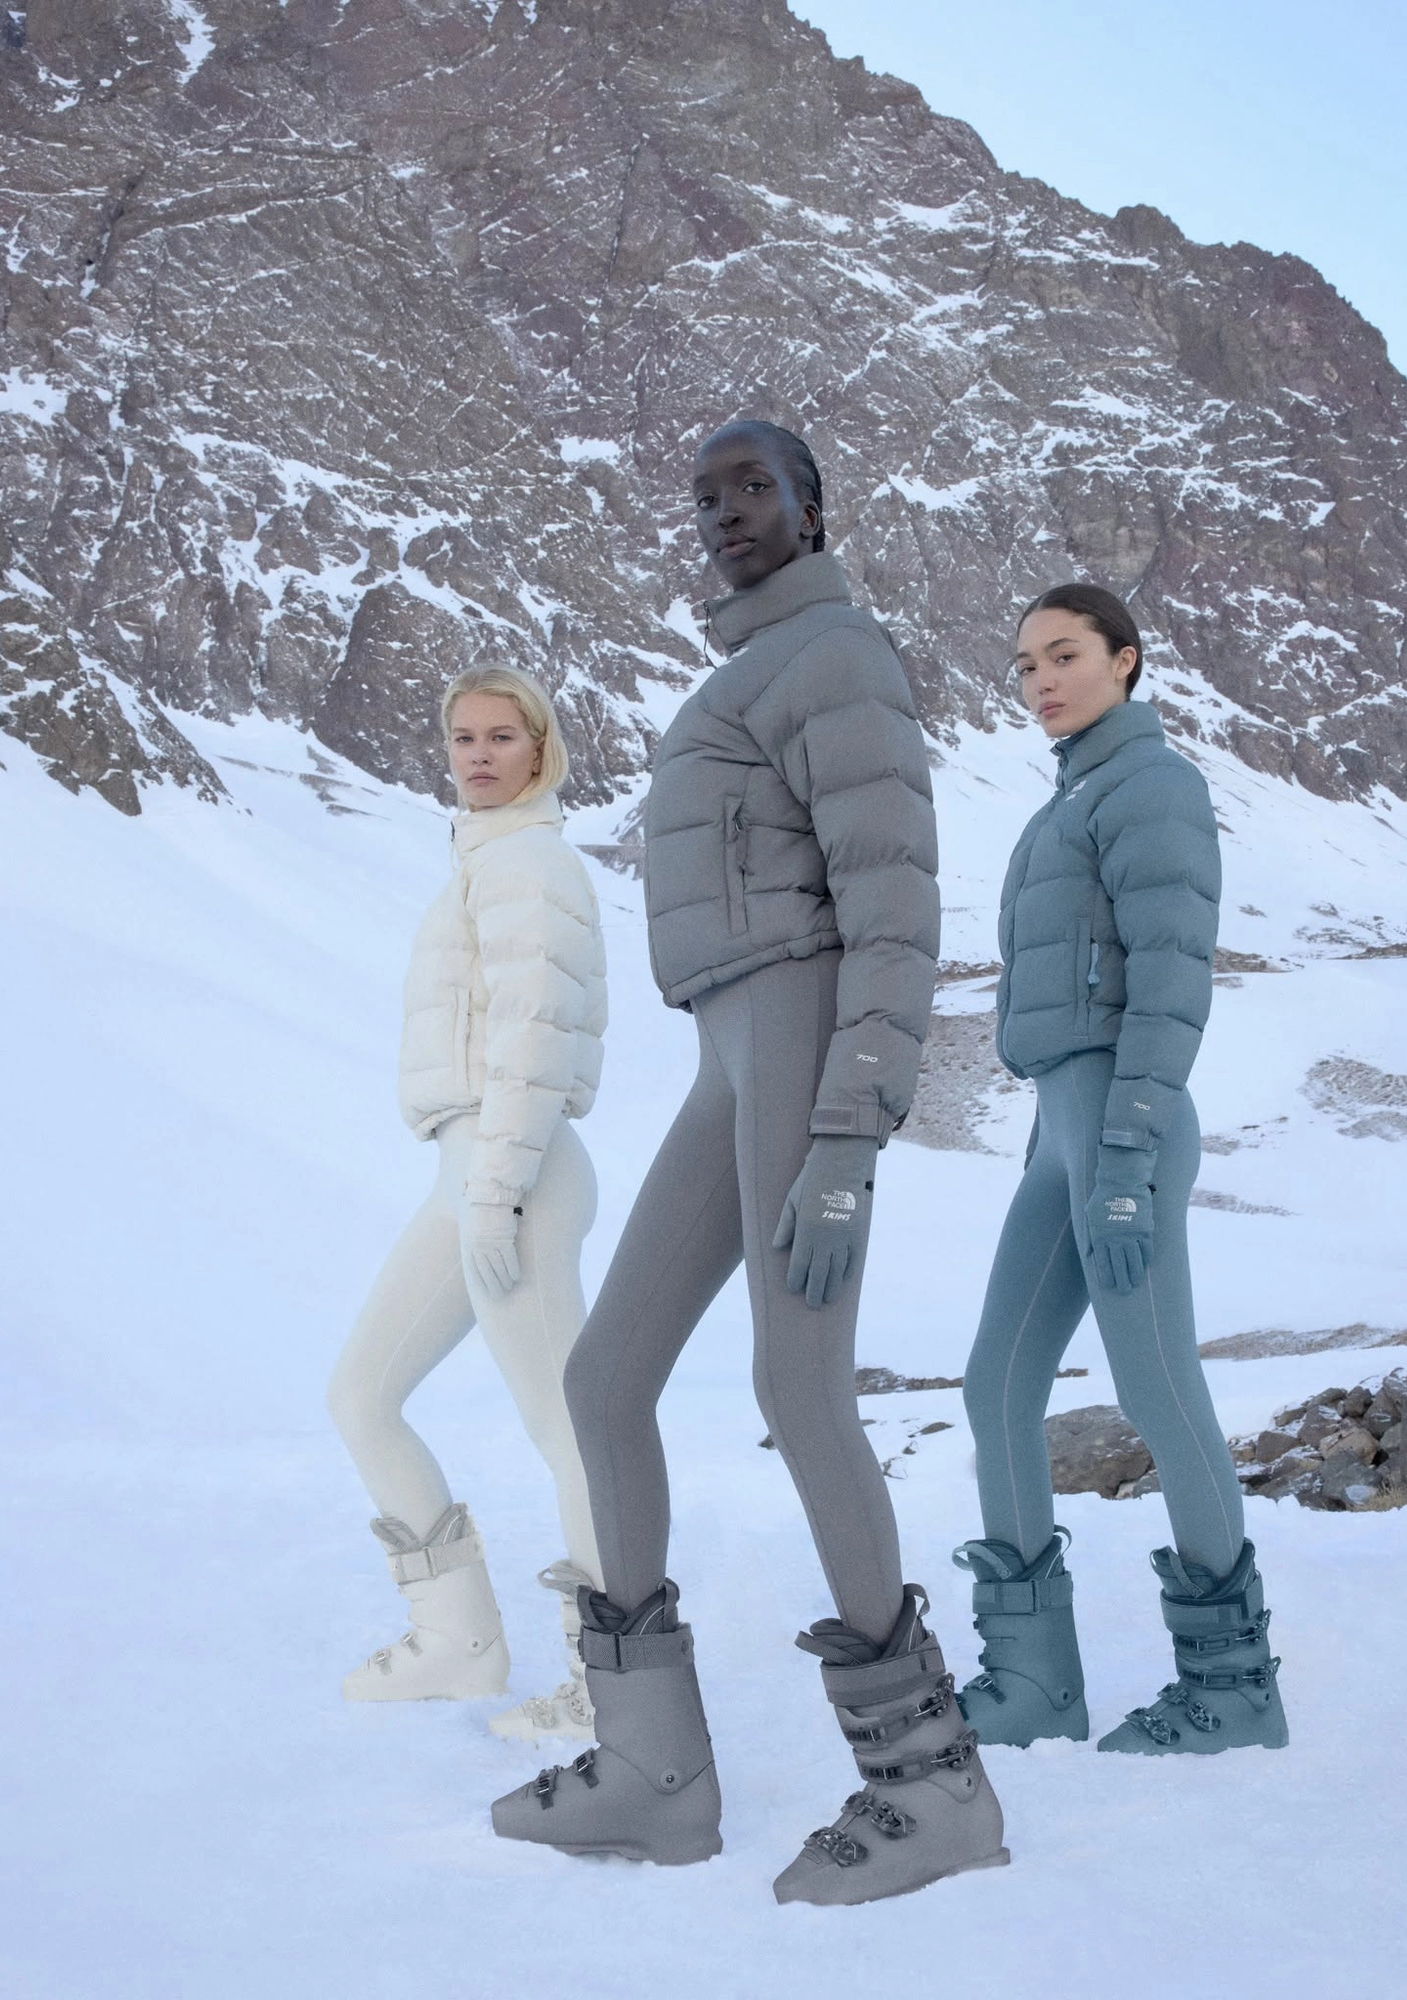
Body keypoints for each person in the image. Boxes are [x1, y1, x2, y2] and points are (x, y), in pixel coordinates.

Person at [491, 420, 1008, 1905]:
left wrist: (848, 1140)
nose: (725, 514)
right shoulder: (747, 671)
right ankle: (656, 1774)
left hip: (796, 1034)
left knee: (800, 1386)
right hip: (728, 1044)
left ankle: (932, 1788)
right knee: (603, 1382)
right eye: (706, 495)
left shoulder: (836, 654)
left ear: (813, 507)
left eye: (754, 489)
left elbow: (895, 915)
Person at [952, 583, 1288, 1757]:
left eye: (1064, 655)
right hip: (1060, 1123)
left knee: (1156, 1387)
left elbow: (1171, 972)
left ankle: (1233, 1685)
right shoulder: (1075, 794)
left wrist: (1130, 1154)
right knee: (993, 1378)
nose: (1040, 678)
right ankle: (1035, 1679)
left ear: (1126, 662)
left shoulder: (1153, 785)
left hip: (1117, 1122)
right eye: (1025, 662)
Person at [326, 664, 609, 1743]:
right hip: (475, 1167)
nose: (480, 754)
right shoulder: (486, 860)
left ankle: (611, 1681)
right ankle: (457, 1641)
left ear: (541, 748)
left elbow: (533, 1041)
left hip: (514, 1168)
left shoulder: (527, 863)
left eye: (503, 736)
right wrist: (477, 1183)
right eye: (462, 736)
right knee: (363, 1392)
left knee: (570, 1431)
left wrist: (495, 1191)